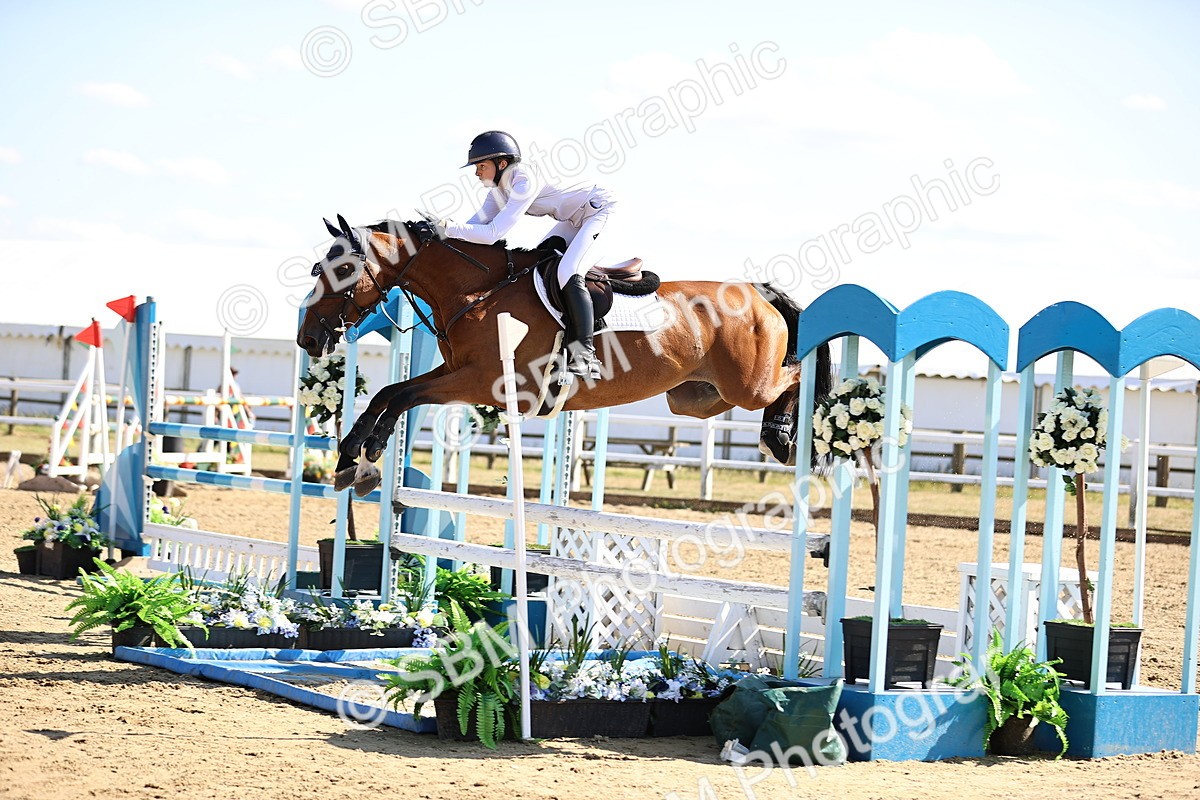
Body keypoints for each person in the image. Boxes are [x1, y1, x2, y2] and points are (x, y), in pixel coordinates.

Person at [436, 130, 615, 381]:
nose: (477, 173)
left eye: (481, 166)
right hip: (574, 219)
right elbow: (473, 226)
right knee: (537, 264)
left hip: (602, 212)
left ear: (502, 164)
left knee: (568, 271)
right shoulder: (499, 190)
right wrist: (438, 234)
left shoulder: (524, 180)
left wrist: (448, 228)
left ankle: (585, 356)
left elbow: (492, 234)